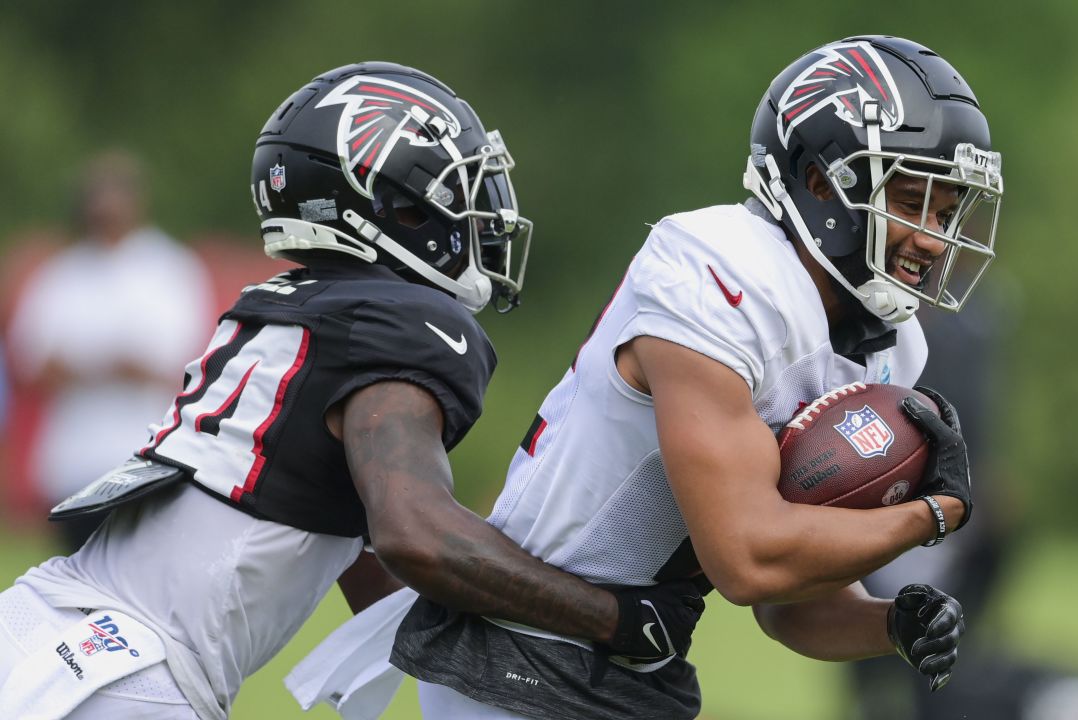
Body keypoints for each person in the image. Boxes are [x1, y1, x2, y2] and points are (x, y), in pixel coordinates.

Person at [0, 62, 703, 720]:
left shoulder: (282, 304)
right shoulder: (398, 320)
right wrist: (610, 616)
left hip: (41, 623)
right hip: (128, 674)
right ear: (397, 208)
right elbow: (414, 534)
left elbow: (380, 566)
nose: (478, 213)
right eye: (457, 188)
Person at [377, 35, 1004, 720]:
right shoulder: (717, 270)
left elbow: (790, 604)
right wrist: (936, 514)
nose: (935, 239)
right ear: (823, 184)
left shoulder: (887, 348)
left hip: (635, 661)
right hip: (521, 651)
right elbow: (747, 560)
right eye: (911, 201)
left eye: (947, 212)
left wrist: (890, 623)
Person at [5, 151, 212, 550]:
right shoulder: (62, 273)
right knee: (74, 579)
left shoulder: (169, 269)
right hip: (74, 460)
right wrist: (111, 364)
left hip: (146, 456)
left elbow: (182, 365)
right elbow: (32, 364)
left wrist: (89, 365)